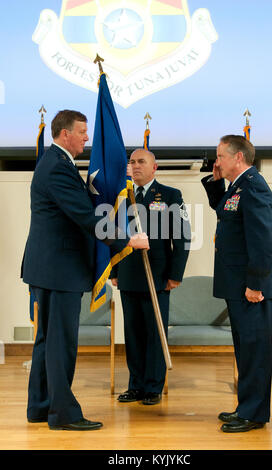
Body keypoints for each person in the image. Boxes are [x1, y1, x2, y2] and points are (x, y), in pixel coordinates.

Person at [21, 110, 149, 431]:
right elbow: (85, 217)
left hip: (50, 268)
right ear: (65, 135)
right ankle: (63, 414)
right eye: (81, 132)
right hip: (58, 270)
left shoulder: (57, 164)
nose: (86, 138)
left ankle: (40, 406)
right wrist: (127, 240)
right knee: (60, 343)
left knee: (47, 341)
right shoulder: (57, 168)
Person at [201, 135, 272, 433]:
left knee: (254, 350)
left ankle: (254, 414)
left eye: (220, 156)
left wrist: (256, 283)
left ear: (238, 158)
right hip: (238, 284)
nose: (216, 161)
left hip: (251, 286)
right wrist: (215, 178)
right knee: (245, 350)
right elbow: (223, 210)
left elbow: (262, 240)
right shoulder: (238, 186)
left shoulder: (254, 186)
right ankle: (246, 406)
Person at [110, 148, 191, 405]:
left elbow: (182, 237)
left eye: (141, 161)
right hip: (129, 274)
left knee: (155, 332)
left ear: (154, 167)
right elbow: (113, 236)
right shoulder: (123, 197)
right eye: (132, 162)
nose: (135, 166)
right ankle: (136, 385)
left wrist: (176, 274)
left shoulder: (169, 195)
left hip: (157, 275)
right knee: (132, 333)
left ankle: (153, 386)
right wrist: (114, 269)